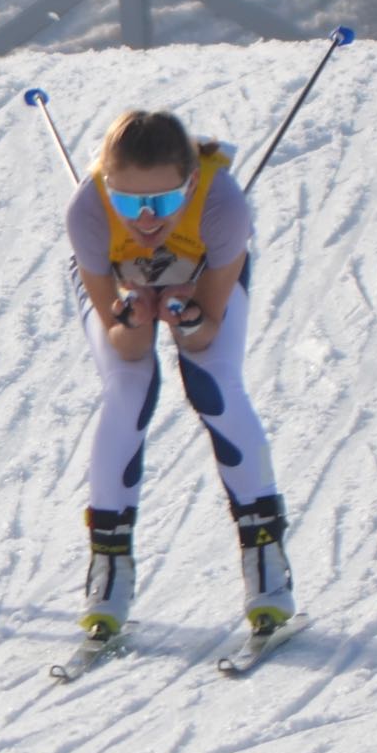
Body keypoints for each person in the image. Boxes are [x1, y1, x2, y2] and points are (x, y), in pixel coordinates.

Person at [68, 107, 292, 642]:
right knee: (129, 387)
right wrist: (131, 318)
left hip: (201, 273)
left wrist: (187, 318)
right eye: (129, 203)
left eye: (164, 202)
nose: (146, 219)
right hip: (122, 281)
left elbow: (205, 334)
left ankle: (266, 556)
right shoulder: (88, 211)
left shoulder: (223, 206)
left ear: (190, 185)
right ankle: (109, 567)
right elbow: (123, 342)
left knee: (212, 382)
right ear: (107, 186)